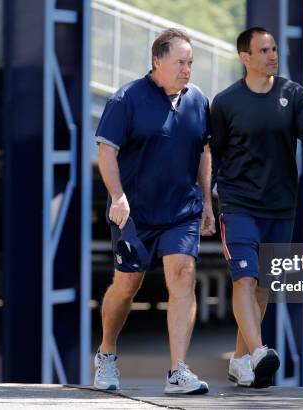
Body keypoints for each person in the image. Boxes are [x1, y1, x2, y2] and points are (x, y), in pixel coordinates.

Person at [93, 28, 215, 395]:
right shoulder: (126, 100)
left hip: (182, 210)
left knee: (182, 273)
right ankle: (107, 353)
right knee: (127, 284)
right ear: (157, 61)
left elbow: (204, 152)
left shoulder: (198, 101)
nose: (187, 69)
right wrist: (117, 196)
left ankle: (178, 370)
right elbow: (106, 152)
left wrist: (208, 201)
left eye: (190, 62)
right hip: (133, 213)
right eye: (180, 62)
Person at [210, 27, 303, 388]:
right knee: (244, 278)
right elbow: (212, 155)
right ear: (244, 57)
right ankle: (260, 351)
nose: (272, 56)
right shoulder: (226, 102)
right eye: (263, 50)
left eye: (274, 49)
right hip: (238, 204)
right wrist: (205, 201)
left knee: (262, 287)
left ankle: (238, 360)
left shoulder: (293, 95)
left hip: (281, 207)